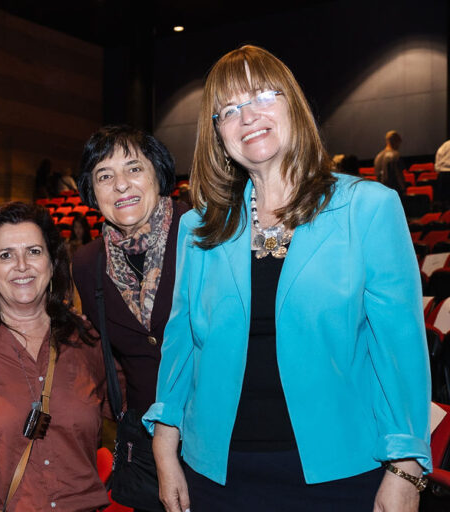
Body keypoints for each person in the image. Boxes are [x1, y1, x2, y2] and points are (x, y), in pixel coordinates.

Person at [143, 45, 431, 512]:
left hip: (342, 472)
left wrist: (406, 468)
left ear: (292, 104)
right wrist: (164, 449)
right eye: (229, 110)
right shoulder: (198, 227)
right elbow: (181, 348)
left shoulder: (369, 208)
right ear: (218, 134)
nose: (247, 116)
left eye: (261, 95)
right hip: (216, 473)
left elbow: (401, 353)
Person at [0, 202, 108, 510]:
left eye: (34, 251)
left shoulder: (88, 342)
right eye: (5, 255)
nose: (22, 265)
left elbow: (139, 412)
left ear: (51, 263)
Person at [71, 124, 188, 511]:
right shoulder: (87, 264)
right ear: (91, 191)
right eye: (105, 175)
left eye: (134, 169)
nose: (121, 185)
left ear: (158, 173)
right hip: (145, 447)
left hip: (223, 435)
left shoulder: (203, 235)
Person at [374, 130, 406, 194]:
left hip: (382, 192)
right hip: (394, 192)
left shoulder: (378, 156)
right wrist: (404, 189)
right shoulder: (396, 155)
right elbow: (398, 175)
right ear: (395, 141)